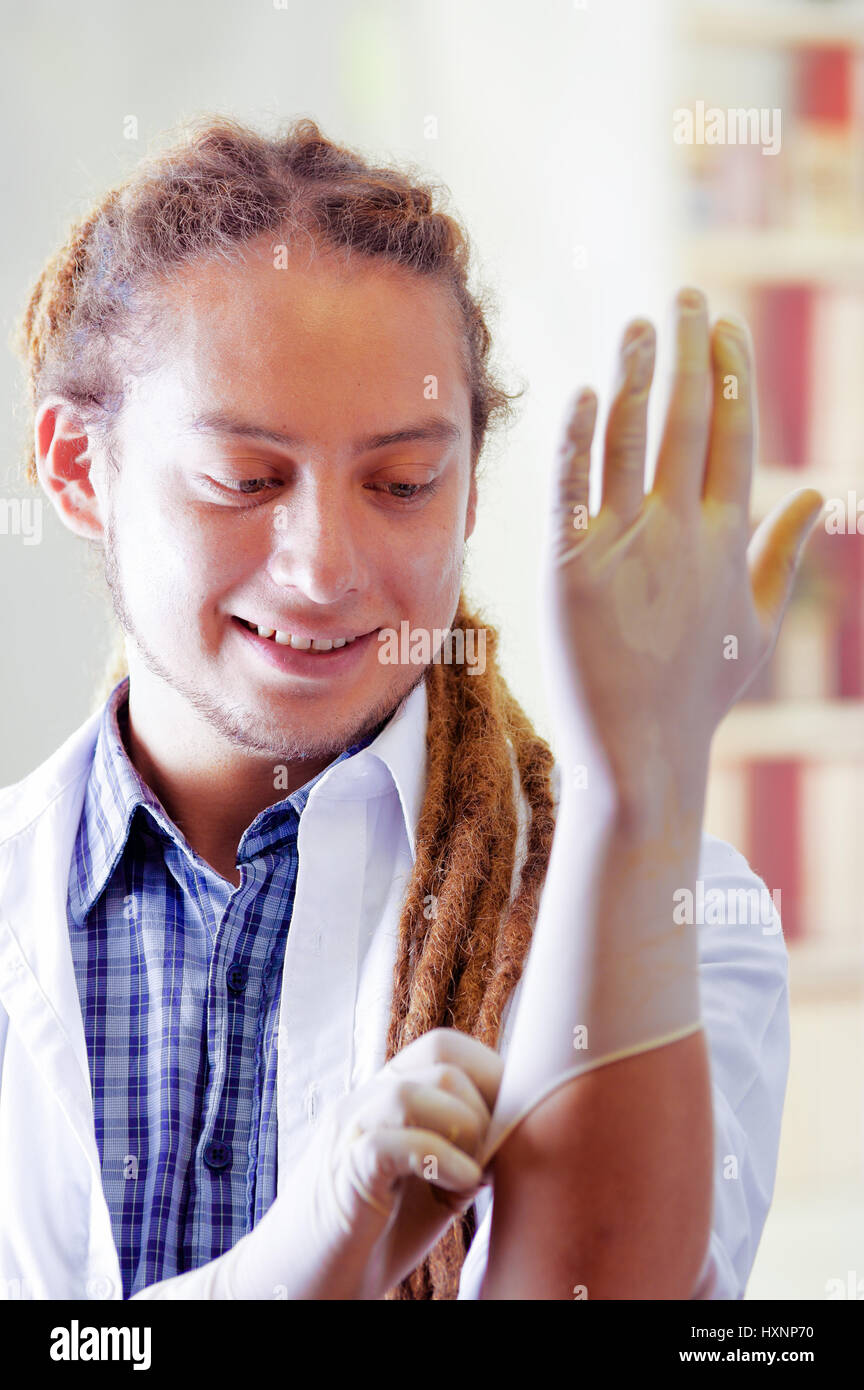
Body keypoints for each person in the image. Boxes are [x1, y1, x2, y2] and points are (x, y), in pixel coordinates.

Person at [0, 115, 823, 1301]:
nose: (324, 565)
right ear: (81, 471)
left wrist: (645, 786)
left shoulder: (681, 913)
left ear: (472, 491)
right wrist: (289, 1275)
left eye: (402, 484)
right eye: (247, 478)